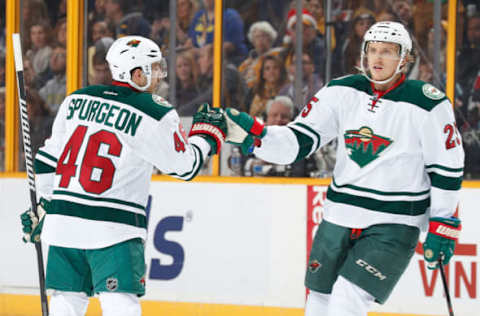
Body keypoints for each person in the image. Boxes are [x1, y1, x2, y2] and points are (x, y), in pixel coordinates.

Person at [224, 21, 464, 316]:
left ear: (405, 58)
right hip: (338, 216)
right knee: (317, 304)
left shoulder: (427, 102)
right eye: (372, 50)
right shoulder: (341, 91)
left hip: (395, 222)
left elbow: (447, 166)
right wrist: (256, 137)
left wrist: (443, 222)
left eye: (387, 52)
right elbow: (297, 142)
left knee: (347, 299)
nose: (377, 59)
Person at [20, 35, 227, 316]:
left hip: (64, 221)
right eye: (154, 68)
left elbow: (46, 160)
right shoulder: (153, 110)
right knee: (120, 305)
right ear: (137, 73)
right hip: (113, 228)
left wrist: (43, 204)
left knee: (66, 302)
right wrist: (208, 136)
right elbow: (185, 166)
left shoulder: (76, 100)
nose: (159, 74)